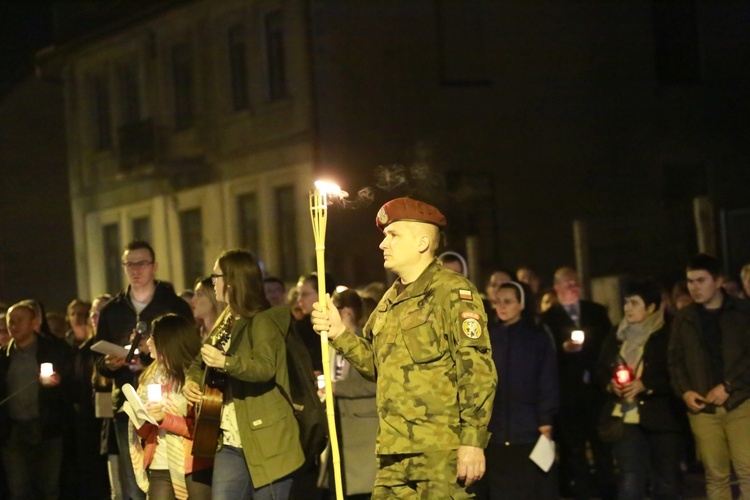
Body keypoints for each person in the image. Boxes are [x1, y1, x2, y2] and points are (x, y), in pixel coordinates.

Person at [311, 197, 497, 497]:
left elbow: (476, 370)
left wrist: (472, 442)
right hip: (393, 452)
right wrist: (338, 332)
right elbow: (377, 367)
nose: (384, 244)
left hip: (440, 450)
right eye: (385, 236)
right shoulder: (389, 301)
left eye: (393, 235)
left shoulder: (452, 292)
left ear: (423, 242)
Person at [183, 249, 304, 500]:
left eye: (215, 276)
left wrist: (226, 363)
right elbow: (198, 362)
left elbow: (264, 368)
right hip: (230, 441)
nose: (212, 282)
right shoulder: (226, 320)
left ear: (232, 281)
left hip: (267, 440)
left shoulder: (263, 321)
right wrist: (191, 382)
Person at [93, 240, 193, 500]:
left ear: (154, 266)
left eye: (142, 263)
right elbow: (99, 359)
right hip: (129, 405)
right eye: (129, 264)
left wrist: (149, 362)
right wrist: (110, 364)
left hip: (173, 406)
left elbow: (187, 352)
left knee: (176, 479)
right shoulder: (112, 311)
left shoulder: (173, 306)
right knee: (134, 481)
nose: (135, 270)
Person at [668, 253, 750, 499]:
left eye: (700, 280)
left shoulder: (742, 312)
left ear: (718, 281)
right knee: (716, 475)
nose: (694, 287)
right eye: (690, 281)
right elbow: (675, 360)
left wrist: (729, 386)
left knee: (747, 471)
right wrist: (685, 391)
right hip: (703, 407)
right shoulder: (685, 318)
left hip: (741, 402)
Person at [596, 279, 684, 500]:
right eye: (626, 302)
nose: (628, 308)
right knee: (630, 477)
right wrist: (611, 384)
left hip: (661, 417)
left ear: (651, 307)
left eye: (635, 303)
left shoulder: (666, 335)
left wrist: (646, 385)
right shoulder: (617, 335)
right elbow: (600, 370)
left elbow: (677, 374)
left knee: (665, 480)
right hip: (625, 417)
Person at [475, 281, 559, 500]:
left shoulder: (537, 337)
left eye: (508, 301)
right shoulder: (487, 338)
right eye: (497, 302)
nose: (501, 307)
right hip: (495, 431)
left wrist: (545, 420)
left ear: (521, 304)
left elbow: (547, 380)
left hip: (528, 428)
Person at [541, 266, 614, 499]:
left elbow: (608, 345)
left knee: (602, 444)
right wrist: (563, 351)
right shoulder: (548, 319)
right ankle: (581, 490)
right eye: (567, 283)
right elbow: (545, 357)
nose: (573, 287)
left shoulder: (596, 312)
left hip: (595, 389)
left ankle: (607, 489)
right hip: (567, 394)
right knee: (574, 448)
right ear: (557, 288)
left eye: (575, 283)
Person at [129, 314, 212, 499]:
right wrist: (140, 417)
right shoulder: (150, 376)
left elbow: (200, 430)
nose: (148, 342)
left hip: (192, 465)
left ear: (168, 342)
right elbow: (146, 433)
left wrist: (164, 419)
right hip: (159, 462)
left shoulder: (193, 378)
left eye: (153, 337)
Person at [0, 301, 73, 500]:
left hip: (48, 429)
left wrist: (58, 383)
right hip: (14, 432)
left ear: (34, 323)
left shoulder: (54, 350)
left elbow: (73, 385)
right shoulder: (4, 357)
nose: (13, 325)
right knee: (19, 489)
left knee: (48, 487)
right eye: (10, 321)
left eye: (18, 320)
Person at [328, 289, 378, 499]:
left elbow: (374, 381)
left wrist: (336, 388)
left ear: (346, 312)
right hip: (339, 426)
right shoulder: (330, 344)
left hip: (362, 428)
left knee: (362, 490)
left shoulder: (365, 340)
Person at [192, 277, 223, 341]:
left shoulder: (228, 332)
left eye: (199, 294)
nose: (192, 300)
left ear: (213, 297)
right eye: (194, 294)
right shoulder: (194, 336)